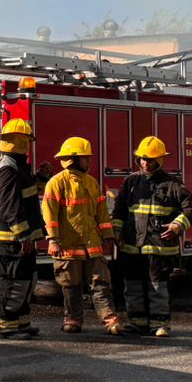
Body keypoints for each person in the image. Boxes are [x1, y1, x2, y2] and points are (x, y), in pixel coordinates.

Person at [113, 136, 192, 337]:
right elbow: (119, 210)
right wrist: (116, 230)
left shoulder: (172, 184)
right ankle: (137, 322)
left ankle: (160, 324)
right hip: (132, 246)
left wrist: (177, 225)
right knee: (133, 285)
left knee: (158, 287)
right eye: (142, 159)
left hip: (160, 246)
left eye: (150, 160)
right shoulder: (130, 182)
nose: (145, 163)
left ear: (159, 160)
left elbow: (190, 208)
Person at [42, 137, 124, 335]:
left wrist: (108, 236)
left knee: (100, 284)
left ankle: (110, 321)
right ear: (74, 159)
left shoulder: (91, 182)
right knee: (70, 285)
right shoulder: (56, 183)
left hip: (92, 246)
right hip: (67, 246)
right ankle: (72, 319)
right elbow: (50, 214)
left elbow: (102, 213)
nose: (89, 161)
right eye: (86, 158)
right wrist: (53, 239)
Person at [0, 117, 43, 338]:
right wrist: (23, 235)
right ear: (21, 141)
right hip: (12, 241)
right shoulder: (8, 168)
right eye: (26, 140)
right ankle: (5, 324)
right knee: (12, 283)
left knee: (26, 281)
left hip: (18, 240)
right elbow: (10, 205)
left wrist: (42, 178)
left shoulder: (17, 165)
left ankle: (21, 322)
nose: (28, 145)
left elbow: (27, 192)